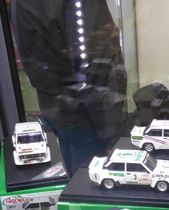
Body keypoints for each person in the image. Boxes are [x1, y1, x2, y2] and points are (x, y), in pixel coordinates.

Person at [11, 0, 128, 176]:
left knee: (73, 178)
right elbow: (96, 69)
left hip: (56, 107)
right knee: (90, 184)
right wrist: (116, 139)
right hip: (85, 113)